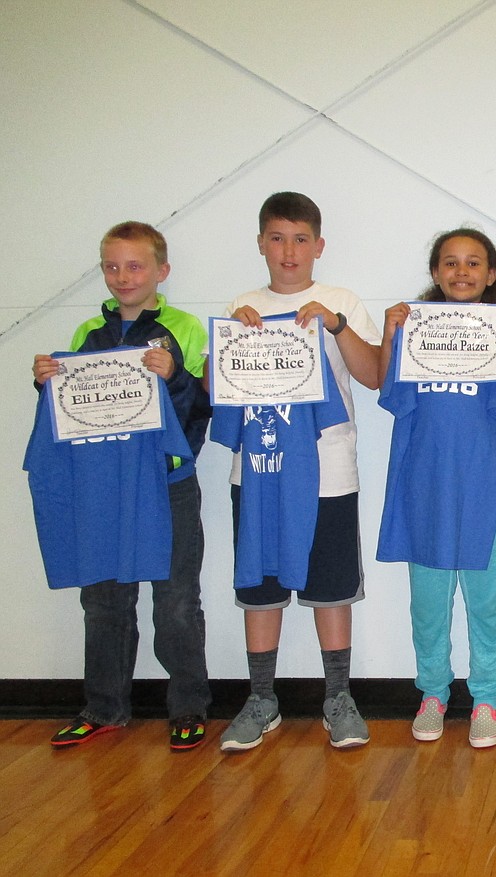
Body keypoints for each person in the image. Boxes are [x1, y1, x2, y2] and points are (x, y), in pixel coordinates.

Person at [30, 221, 213, 751]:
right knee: (104, 599)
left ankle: (188, 707)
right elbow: (72, 417)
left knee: (176, 601)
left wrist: (175, 374)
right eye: (112, 266)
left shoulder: (185, 329)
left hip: (167, 483)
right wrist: (45, 382)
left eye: (135, 265)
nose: (122, 276)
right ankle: (104, 707)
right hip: (103, 488)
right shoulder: (88, 335)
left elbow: (202, 407)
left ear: (162, 270)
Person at [218, 192, 381, 752]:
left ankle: (338, 697)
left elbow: (375, 375)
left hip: (329, 471)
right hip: (259, 470)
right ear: (261, 243)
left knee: (330, 588)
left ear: (319, 245)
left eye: (301, 239)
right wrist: (236, 337)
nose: (289, 251)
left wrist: (335, 327)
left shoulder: (341, 300)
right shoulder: (242, 304)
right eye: (277, 238)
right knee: (259, 588)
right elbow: (225, 390)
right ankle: (261, 699)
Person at [377, 229, 496, 749]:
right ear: (435, 272)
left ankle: (487, 698)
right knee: (427, 602)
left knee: (486, 600)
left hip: (485, 485)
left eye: (473, 263)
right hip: (425, 486)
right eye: (450, 263)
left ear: (491, 274)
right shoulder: (412, 329)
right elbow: (387, 389)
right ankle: (433, 694)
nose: (461, 272)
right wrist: (389, 334)